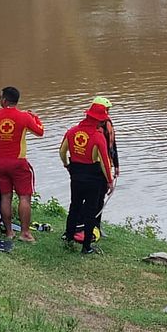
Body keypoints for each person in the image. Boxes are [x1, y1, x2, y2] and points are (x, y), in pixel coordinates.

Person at [0, 86, 44, 242]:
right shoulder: (25, 117)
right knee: (24, 197)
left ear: (4, 100)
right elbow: (40, 132)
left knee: (5, 196)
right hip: (18, 163)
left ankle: (9, 232)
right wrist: (35, 118)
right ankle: (25, 233)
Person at [59, 100, 114, 255]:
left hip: (76, 173)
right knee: (90, 211)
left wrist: (67, 165)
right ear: (99, 119)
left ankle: (68, 236)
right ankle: (86, 247)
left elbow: (62, 151)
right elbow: (104, 161)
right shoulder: (97, 137)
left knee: (74, 205)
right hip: (93, 176)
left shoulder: (71, 131)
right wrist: (109, 181)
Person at [89, 95, 119, 231]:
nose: (108, 113)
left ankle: (96, 226)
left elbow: (113, 146)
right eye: (106, 110)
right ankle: (91, 225)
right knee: (95, 198)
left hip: (107, 164)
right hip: (98, 166)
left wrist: (117, 166)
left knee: (100, 197)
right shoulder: (95, 127)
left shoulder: (108, 124)